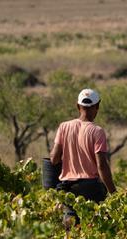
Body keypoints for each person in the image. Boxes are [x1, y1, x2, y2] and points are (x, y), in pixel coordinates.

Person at [49, 88, 117, 229]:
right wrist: (113, 193)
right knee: (95, 227)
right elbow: (102, 166)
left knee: (70, 227)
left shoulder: (64, 127)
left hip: (67, 187)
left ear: (78, 106)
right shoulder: (97, 132)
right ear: (97, 106)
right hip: (90, 187)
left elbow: (54, 159)